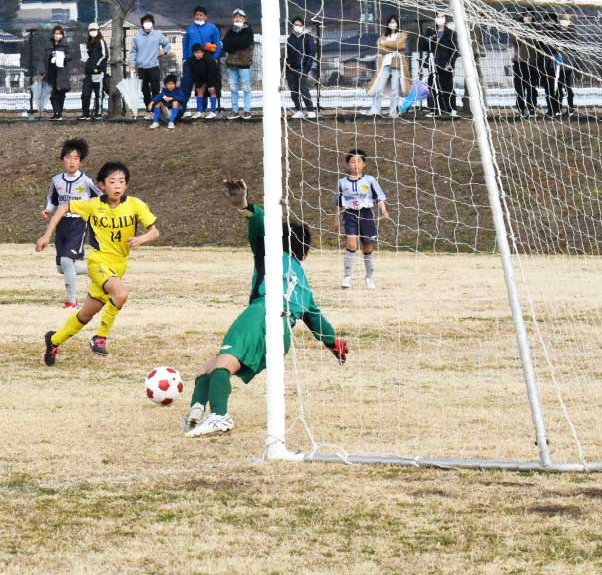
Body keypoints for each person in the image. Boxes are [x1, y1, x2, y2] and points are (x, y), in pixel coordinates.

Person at [184, 216, 348, 437]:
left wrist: (246, 207)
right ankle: (195, 411)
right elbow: (315, 318)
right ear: (304, 250)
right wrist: (333, 343)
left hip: (261, 315)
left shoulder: (270, 255)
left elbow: (260, 225)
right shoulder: (302, 279)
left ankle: (220, 416)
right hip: (283, 334)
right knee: (209, 366)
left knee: (222, 365)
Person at [36, 161, 159, 363]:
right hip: (99, 262)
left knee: (85, 316)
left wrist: (141, 238)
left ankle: (54, 340)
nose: (117, 186)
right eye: (112, 181)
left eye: (121, 181)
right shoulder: (93, 205)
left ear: (126, 185)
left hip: (118, 266)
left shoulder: (135, 205)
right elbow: (64, 206)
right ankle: (100, 338)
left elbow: (154, 231)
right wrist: (47, 235)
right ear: (102, 185)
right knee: (121, 294)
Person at [41, 138, 102, 310]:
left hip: (78, 222)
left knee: (67, 260)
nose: (72, 161)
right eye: (68, 157)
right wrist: (48, 210)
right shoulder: (56, 180)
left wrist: (97, 215)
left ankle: (71, 302)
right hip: (61, 222)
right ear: (63, 160)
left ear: (80, 161)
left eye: (76, 158)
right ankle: (98, 270)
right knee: (62, 267)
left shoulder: (86, 181)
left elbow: (99, 198)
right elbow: (53, 199)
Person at [334, 148, 388, 289]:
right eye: (352, 161)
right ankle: (347, 277)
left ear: (364, 164)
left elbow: (379, 197)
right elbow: (339, 203)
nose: (356, 164)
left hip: (366, 215)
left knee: (367, 247)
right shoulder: (341, 182)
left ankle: (369, 277)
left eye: (359, 161)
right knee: (351, 244)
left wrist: (384, 210)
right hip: (350, 214)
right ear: (347, 164)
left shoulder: (370, 180)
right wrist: (336, 219)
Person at [180, 6, 222, 119]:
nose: (199, 16)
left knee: (203, 85)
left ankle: (202, 109)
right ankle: (182, 109)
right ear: (194, 16)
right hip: (190, 61)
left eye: (201, 14)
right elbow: (185, 44)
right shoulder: (190, 29)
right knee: (186, 85)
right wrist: (185, 57)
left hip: (206, 62)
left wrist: (214, 58)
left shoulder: (212, 28)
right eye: (197, 14)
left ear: (206, 16)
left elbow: (217, 43)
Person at [367, 15, 409, 118]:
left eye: (394, 22)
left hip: (397, 65)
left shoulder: (402, 35)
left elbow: (400, 45)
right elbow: (380, 48)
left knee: (395, 90)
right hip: (385, 64)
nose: (392, 24)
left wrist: (386, 44)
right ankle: (375, 110)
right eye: (390, 22)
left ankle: (393, 112)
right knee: (379, 87)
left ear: (398, 23)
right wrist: (392, 48)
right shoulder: (383, 36)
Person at [221, 9, 255, 119]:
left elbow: (244, 43)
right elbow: (226, 46)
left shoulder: (248, 30)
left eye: (240, 17)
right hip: (231, 63)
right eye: (235, 17)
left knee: (246, 88)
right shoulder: (230, 31)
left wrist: (234, 43)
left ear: (244, 19)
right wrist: (236, 43)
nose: (237, 18)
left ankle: (247, 111)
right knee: (233, 88)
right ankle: (235, 111)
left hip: (244, 64)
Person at [131, 14, 169, 111]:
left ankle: (157, 111)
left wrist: (164, 51)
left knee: (155, 90)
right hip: (141, 68)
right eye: (145, 22)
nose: (147, 24)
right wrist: (132, 63)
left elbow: (166, 44)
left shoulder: (158, 34)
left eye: (149, 22)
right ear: (142, 24)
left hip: (154, 66)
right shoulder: (137, 37)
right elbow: (133, 51)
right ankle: (149, 111)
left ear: (152, 24)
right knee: (145, 91)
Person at [285, 16, 319, 119]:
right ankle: (298, 110)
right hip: (291, 69)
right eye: (296, 25)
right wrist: (287, 64)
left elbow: (311, 53)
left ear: (303, 26)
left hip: (302, 68)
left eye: (299, 25)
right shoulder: (290, 38)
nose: (297, 26)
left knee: (303, 89)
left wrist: (307, 67)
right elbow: (287, 53)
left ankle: (310, 110)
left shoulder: (308, 37)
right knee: (294, 90)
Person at [427, 13, 460, 118]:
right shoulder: (431, 32)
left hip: (446, 64)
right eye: (438, 16)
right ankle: (436, 110)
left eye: (442, 16)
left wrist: (450, 63)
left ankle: (452, 109)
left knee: (448, 86)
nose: (440, 19)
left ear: (445, 19)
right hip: (433, 63)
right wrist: (429, 39)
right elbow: (424, 46)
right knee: (433, 86)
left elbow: (454, 50)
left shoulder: (450, 33)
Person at [185, 43, 222, 121]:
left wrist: (210, 84)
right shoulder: (192, 60)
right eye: (196, 53)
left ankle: (213, 112)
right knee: (199, 91)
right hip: (200, 78)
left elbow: (212, 73)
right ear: (193, 53)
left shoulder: (209, 59)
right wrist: (198, 83)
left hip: (213, 77)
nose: (198, 54)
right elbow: (193, 73)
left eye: (199, 52)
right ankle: (200, 111)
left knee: (212, 91)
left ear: (202, 52)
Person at [43, 24, 71, 121]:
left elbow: (70, 56)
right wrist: (51, 56)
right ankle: (56, 112)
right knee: (53, 94)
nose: (58, 35)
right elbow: (45, 57)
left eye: (60, 34)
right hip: (51, 72)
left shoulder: (65, 44)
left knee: (61, 93)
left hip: (62, 72)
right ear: (53, 34)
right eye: (56, 33)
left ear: (62, 35)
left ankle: (60, 113)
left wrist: (62, 56)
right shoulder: (49, 45)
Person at [81, 23, 108, 120]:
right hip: (88, 73)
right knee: (85, 93)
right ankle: (85, 114)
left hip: (98, 72)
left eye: (94, 29)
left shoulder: (101, 41)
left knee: (98, 93)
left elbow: (105, 56)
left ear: (98, 30)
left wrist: (97, 66)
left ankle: (98, 113)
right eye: (91, 30)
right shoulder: (88, 43)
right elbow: (86, 57)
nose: (93, 31)